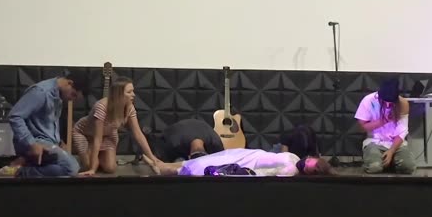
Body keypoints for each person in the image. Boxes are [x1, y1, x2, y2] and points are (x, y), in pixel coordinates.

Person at [1, 72, 87, 177]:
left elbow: (47, 123)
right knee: (71, 168)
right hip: (35, 141)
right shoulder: (41, 92)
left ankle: (25, 162)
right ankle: (20, 172)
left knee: (77, 164)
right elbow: (15, 116)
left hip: (48, 143)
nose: (71, 99)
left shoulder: (58, 96)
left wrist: (59, 142)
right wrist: (31, 143)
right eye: (73, 95)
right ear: (69, 83)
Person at [71, 76, 162, 176]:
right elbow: (97, 138)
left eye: (133, 91)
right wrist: (92, 169)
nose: (133, 94)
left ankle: (97, 156)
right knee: (89, 165)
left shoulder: (129, 107)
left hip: (108, 134)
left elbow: (138, 134)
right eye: (129, 92)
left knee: (110, 168)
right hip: (85, 134)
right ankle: (88, 157)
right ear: (118, 94)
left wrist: (152, 157)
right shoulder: (102, 107)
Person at [354, 78, 415, 174]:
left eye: (391, 103)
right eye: (384, 102)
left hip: (396, 143)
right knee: (374, 167)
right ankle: (382, 162)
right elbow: (361, 128)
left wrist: (391, 151)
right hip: (374, 142)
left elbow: (402, 133)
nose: (387, 105)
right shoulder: (368, 100)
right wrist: (384, 121)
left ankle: (389, 161)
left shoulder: (403, 104)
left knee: (408, 167)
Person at [155, 148, 332, 177]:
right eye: (310, 160)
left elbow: (266, 175)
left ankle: (165, 169)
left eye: (309, 165)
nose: (307, 161)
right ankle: (162, 165)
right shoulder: (294, 158)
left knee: (201, 166)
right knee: (205, 159)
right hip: (247, 155)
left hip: (247, 165)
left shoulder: (291, 170)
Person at [149, 118, 225, 162]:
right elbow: (162, 163)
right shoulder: (173, 143)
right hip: (176, 131)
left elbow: (222, 163)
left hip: (199, 126)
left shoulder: (215, 143)